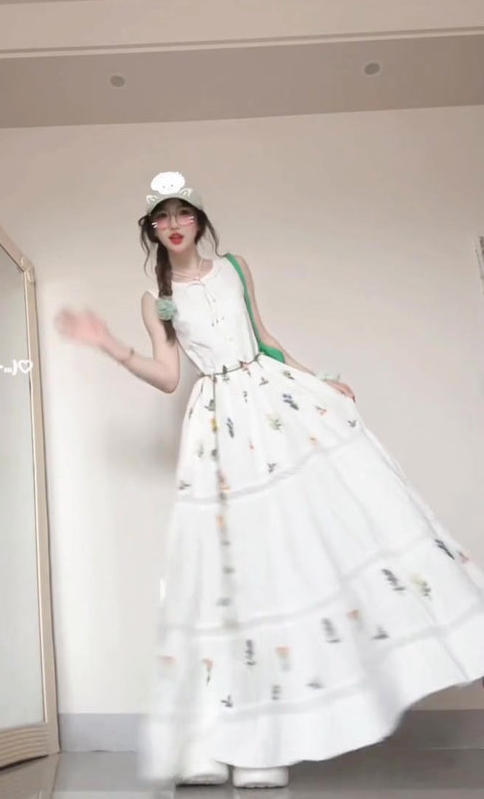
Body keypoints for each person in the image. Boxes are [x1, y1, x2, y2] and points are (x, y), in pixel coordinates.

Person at [55, 171, 484, 790]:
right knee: (229, 569)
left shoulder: (235, 267)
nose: (174, 225)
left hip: (271, 400)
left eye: (183, 213)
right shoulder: (156, 298)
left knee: (294, 550)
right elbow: (169, 376)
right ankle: (216, 737)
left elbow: (264, 338)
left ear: (199, 220)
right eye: (162, 217)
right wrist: (110, 346)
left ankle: (267, 740)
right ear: (152, 229)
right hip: (217, 422)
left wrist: (316, 381)